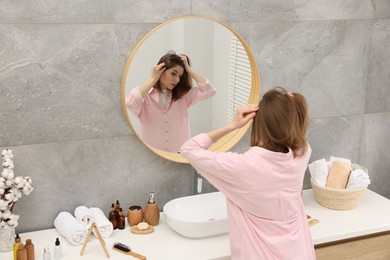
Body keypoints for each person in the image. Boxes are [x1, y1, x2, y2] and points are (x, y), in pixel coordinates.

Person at [180, 87, 315, 259]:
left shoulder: (242, 166)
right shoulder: (302, 153)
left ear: (258, 123)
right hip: (298, 252)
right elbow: (297, 122)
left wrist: (233, 125)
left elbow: (188, 148)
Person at [126, 51, 216, 152]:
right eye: (173, 74)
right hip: (151, 157)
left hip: (179, 155)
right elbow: (130, 103)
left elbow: (210, 91)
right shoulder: (143, 96)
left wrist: (188, 69)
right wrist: (153, 79)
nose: (177, 80)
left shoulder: (183, 96)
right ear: (161, 70)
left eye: (180, 76)